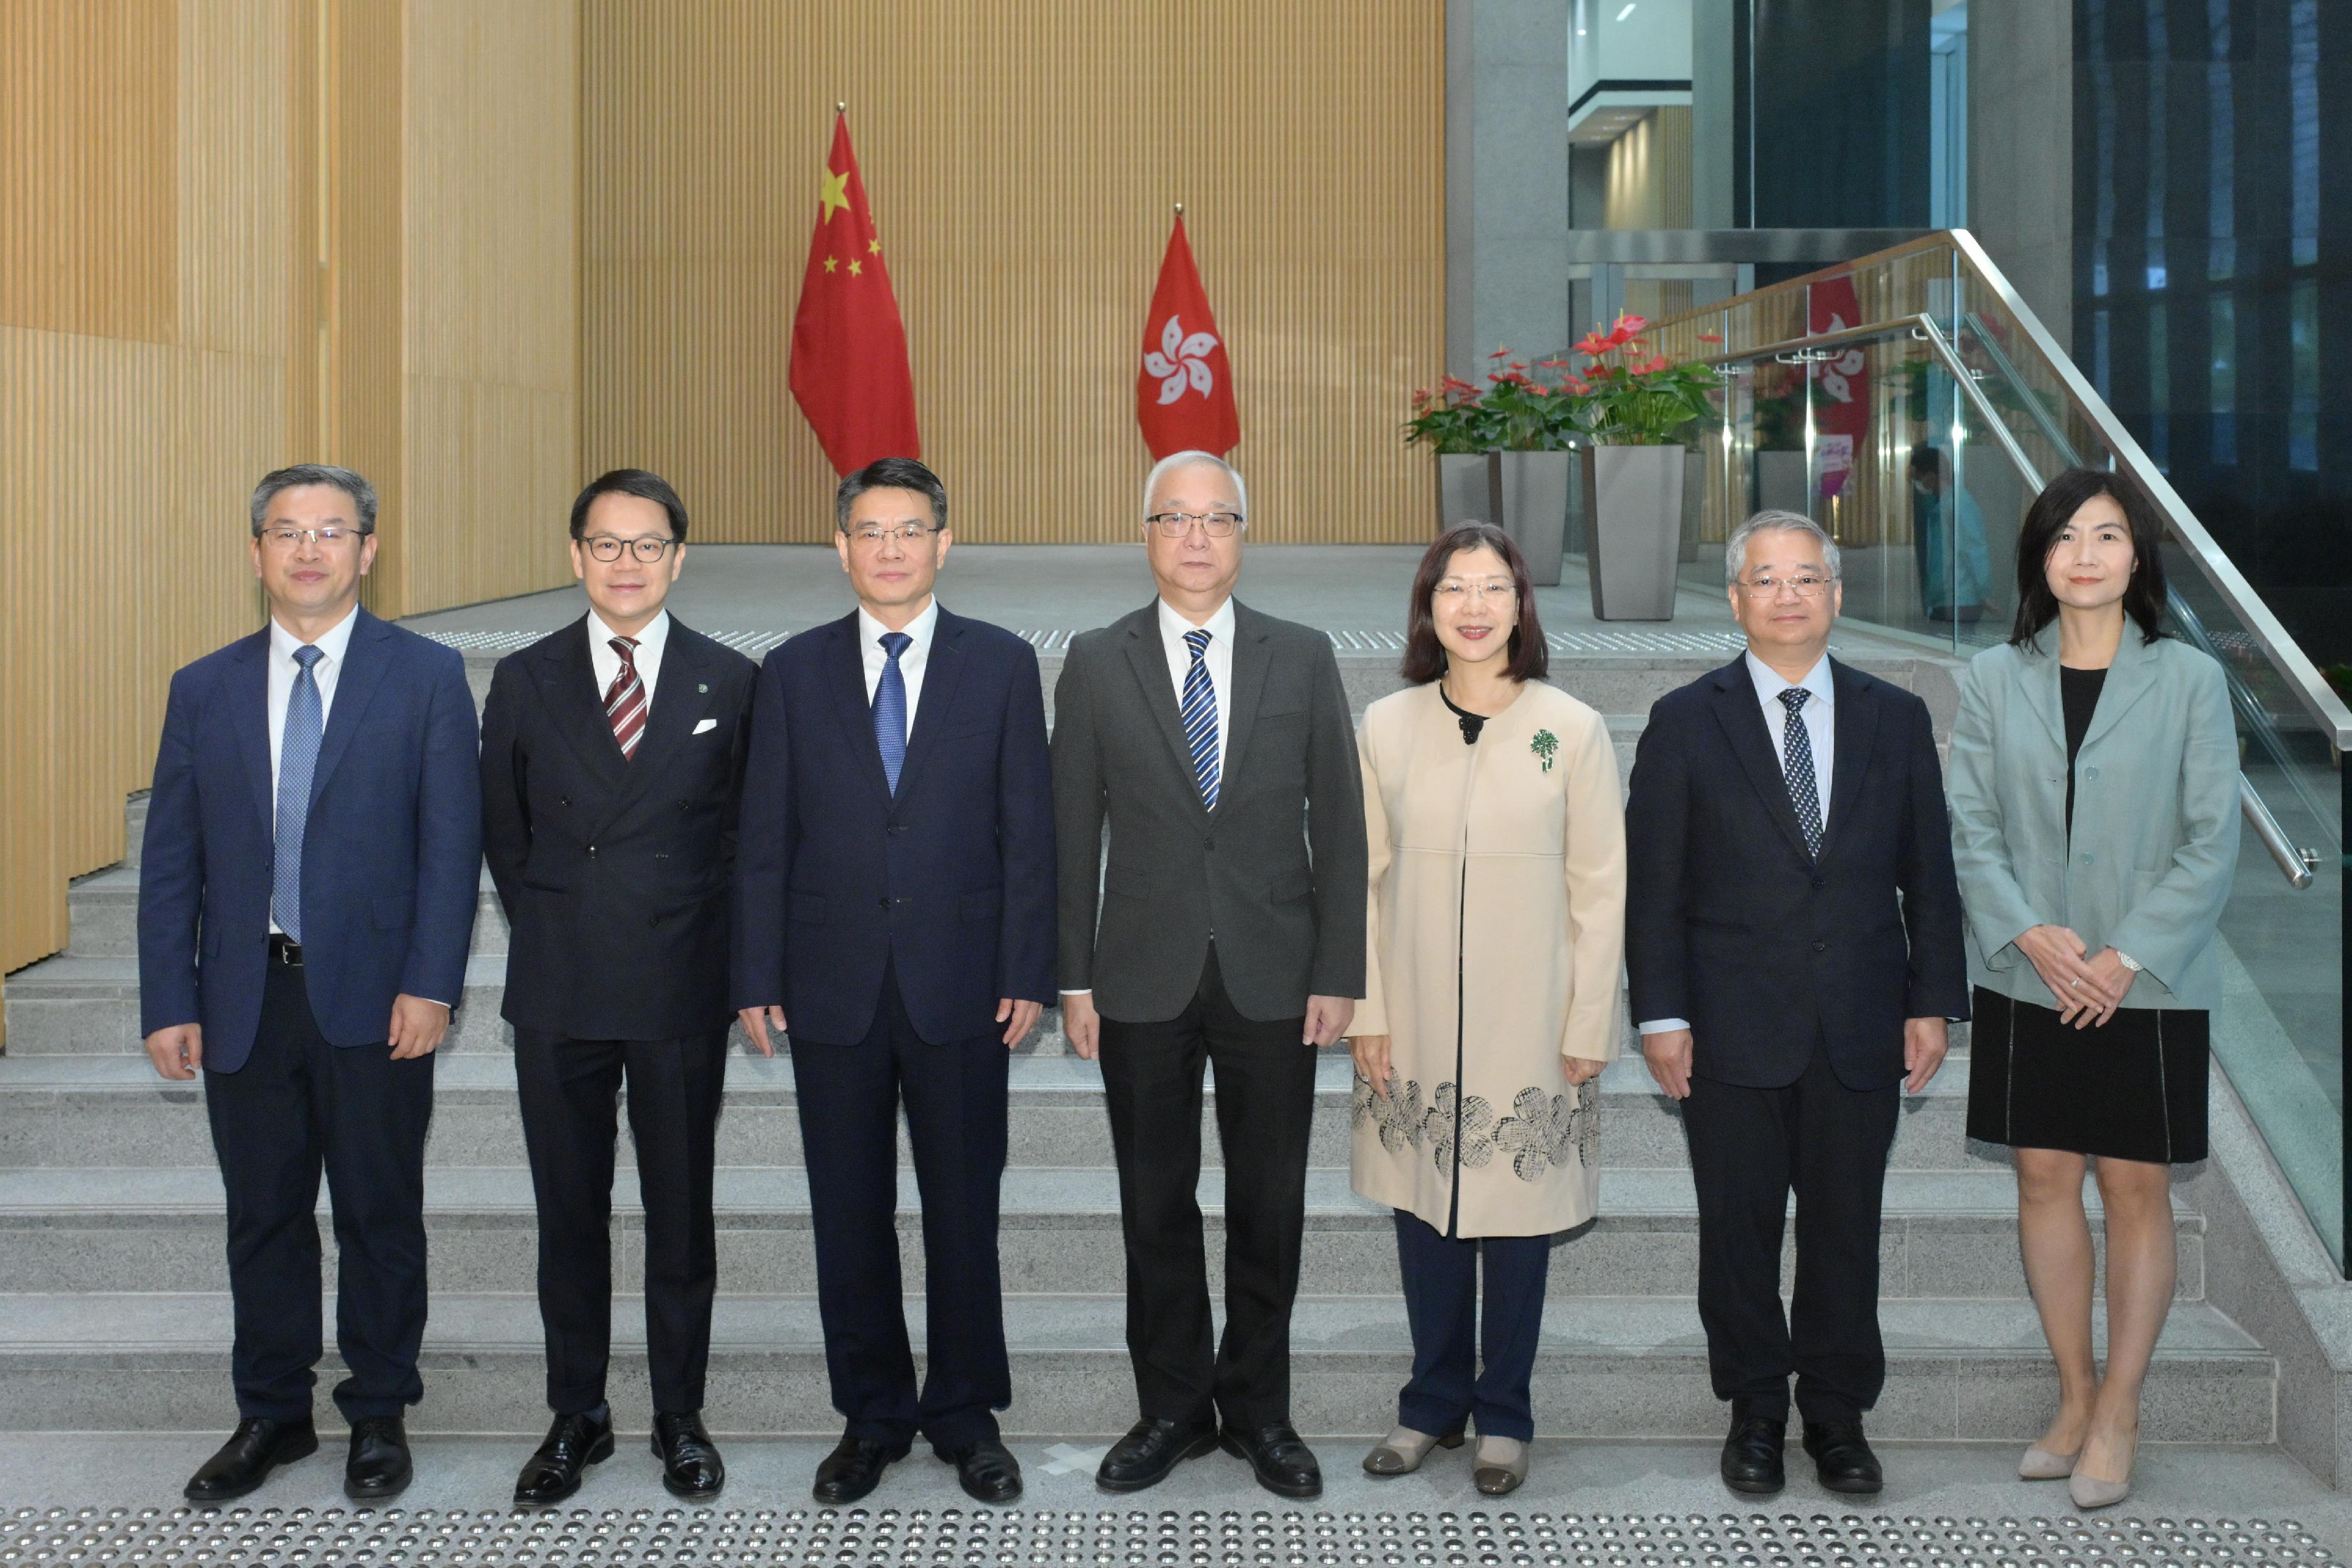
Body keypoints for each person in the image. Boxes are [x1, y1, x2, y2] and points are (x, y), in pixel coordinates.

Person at [137, 464, 481, 1503]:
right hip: (246, 997)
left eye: (332, 531)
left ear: (368, 550)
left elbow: (448, 847)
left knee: (381, 1209)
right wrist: (169, 996)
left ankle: (378, 1410)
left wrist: (431, 984)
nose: (308, 550)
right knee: (264, 1215)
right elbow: (171, 860)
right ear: (256, 553)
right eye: (286, 532)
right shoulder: (204, 686)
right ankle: (273, 1414)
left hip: (379, 998)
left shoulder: (424, 675)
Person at [1623, 509, 1967, 1499]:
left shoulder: (1893, 718)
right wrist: (1660, 1015)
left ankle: (1836, 1414)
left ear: (1837, 594)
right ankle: (1757, 1411)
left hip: (1861, 1022)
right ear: (1735, 600)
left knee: (1844, 1228)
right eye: (1766, 579)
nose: (1787, 595)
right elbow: (1657, 887)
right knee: (1737, 1230)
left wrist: (1933, 999)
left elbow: (1928, 876)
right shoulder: (1687, 719)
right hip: (1728, 1029)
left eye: (1806, 577)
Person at [733, 456, 1055, 1506]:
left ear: (943, 543)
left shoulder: (1001, 664)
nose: (889, 549)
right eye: (869, 531)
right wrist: (756, 973)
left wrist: (1027, 967)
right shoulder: (790, 669)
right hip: (831, 986)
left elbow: (1028, 831)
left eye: (909, 530)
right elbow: (764, 837)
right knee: (849, 1210)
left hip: (963, 981)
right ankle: (870, 1413)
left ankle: (965, 1412)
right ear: (841, 547)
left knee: (965, 1207)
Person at [1053, 449, 1368, 1500]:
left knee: (1269, 1202)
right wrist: (1071, 977)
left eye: (1218, 518)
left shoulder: (1304, 653)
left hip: (1277, 973)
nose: (1197, 538)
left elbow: (1342, 817)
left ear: (1244, 534)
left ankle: (1261, 1412)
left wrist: (1340, 966)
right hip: (1138, 972)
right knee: (1155, 1200)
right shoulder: (1097, 660)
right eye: (1175, 519)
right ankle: (1173, 1409)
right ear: (1146, 534)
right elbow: (1070, 834)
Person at [1947, 467, 2237, 1511]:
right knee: (2042, 1176)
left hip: (2146, 981)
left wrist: (2122, 954)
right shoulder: (1990, 675)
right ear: (2038, 557)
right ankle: (2073, 1397)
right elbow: (1968, 822)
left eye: (2107, 536)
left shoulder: (2191, 680)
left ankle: (2121, 1407)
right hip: (2028, 973)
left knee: (2135, 1186)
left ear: (2137, 557)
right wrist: (2030, 931)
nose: (2084, 554)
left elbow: (2213, 841)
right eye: (2064, 536)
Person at [478, 469, 757, 1505]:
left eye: (648, 545)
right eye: (607, 544)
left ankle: (679, 1415)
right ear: (575, 556)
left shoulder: (729, 681)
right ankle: (577, 1413)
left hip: (681, 983)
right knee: (570, 1211)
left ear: (680, 559)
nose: (627, 563)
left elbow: (744, 839)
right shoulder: (527, 676)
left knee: (682, 1211)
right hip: (560, 984)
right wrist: (557, 918)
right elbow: (505, 833)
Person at [1347, 523, 1625, 1497]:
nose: (1473, 606)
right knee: (1424, 1211)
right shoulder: (1384, 726)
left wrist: (1590, 1020)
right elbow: (1362, 883)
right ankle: (1430, 1402)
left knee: (1517, 1221)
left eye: (1493, 588)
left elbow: (1601, 888)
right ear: (1428, 608)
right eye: (1453, 588)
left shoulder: (1572, 727)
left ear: (1521, 604)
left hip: (1531, 1018)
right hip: (1413, 1013)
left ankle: (1505, 1412)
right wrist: (1367, 1013)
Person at [1909, 441, 1992, 623]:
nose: (1917, 483)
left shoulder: (1959, 504)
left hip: (1961, 601)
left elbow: (1974, 551)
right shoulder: (1943, 505)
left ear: (1931, 475)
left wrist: (1983, 594)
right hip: (1946, 600)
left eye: (1918, 477)